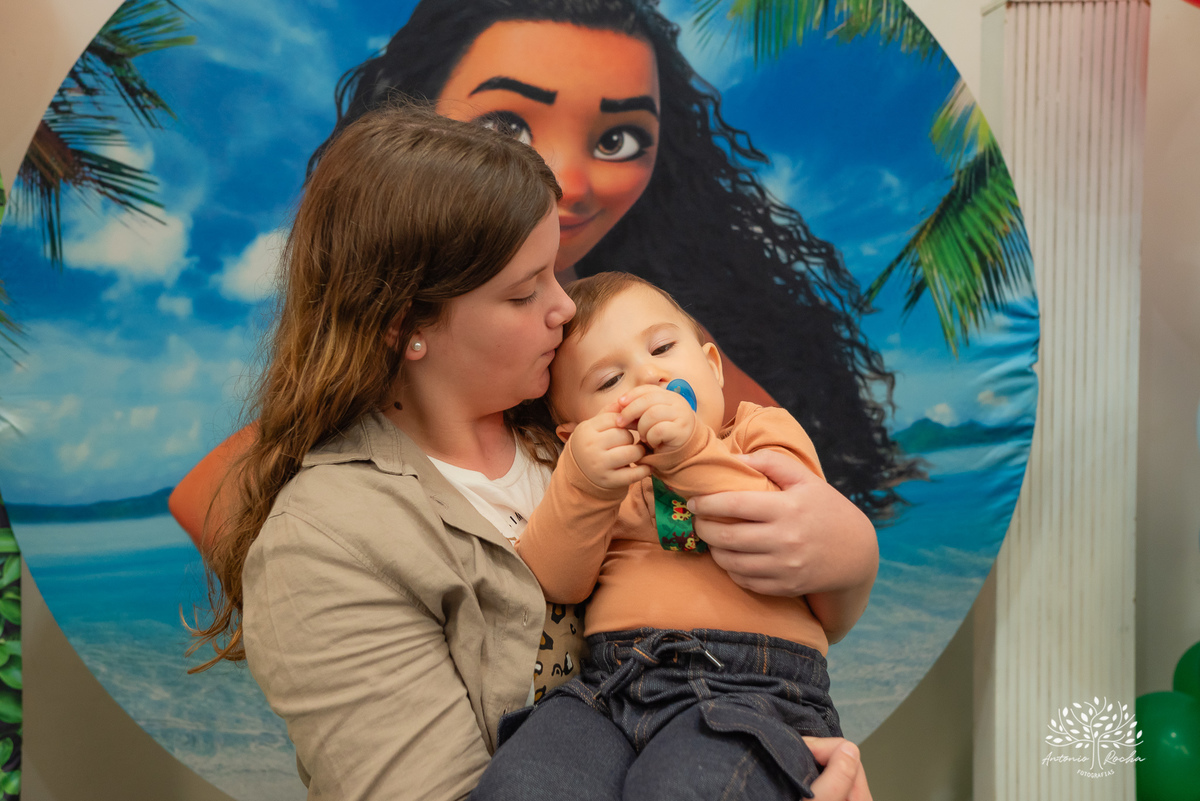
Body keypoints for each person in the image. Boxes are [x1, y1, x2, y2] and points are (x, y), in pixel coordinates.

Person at [190, 103, 875, 800]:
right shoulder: (326, 542)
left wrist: (850, 556)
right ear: (406, 326)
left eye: (558, 271)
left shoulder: (565, 417)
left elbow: (760, 616)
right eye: (525, 292)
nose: (566, 309)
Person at [168, 0, 918, 546]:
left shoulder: (658, 342)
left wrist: (837, 558)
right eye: (507, 126)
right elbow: (216, 501)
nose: (565, 179)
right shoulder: (388, 385)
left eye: (620, 138)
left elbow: (787, 516)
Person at [470, 272, 868, 799]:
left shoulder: (757, 432)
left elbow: (782, 516)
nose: (648, 378)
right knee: (525, 780)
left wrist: (690, 451)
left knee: (688, 786)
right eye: (610, 381)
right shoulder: (604, 488)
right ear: (574, 433)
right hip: (611, 685)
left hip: (754, 686)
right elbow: (555, 580)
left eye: (662, 347)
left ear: (712, 366)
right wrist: (582, 484)